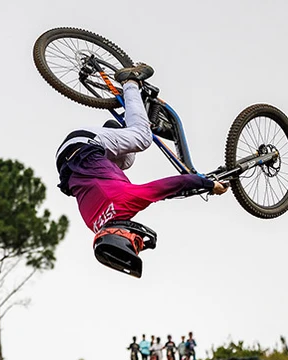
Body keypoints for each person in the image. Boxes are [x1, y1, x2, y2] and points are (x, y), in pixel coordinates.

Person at [54, 64, 227, 275]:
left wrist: (208, 184)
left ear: (121, 234)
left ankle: (130, 82)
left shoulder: (126, 202)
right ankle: (124, 126)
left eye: (135, 243)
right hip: (69, 159)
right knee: (126, 163)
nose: (138, 241)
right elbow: (155, 194)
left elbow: (173, 184)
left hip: (85, 144)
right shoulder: (96, 225)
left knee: (143, 138)